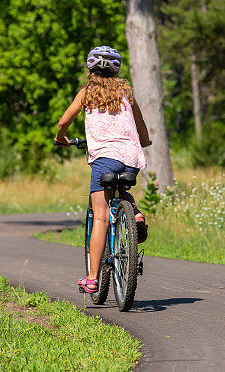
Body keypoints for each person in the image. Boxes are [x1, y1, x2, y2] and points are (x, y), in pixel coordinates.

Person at [55, 45, 151, 294]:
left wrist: (61, 138)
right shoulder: (126, 93)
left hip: (105, 159)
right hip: (131, 157)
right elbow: (141, 127)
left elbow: (64, 121)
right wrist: (146, 141)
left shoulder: (87, 93)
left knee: (100, 216)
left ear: (90, 69)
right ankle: (135, 212)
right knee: (122, 191)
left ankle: (93, 278)